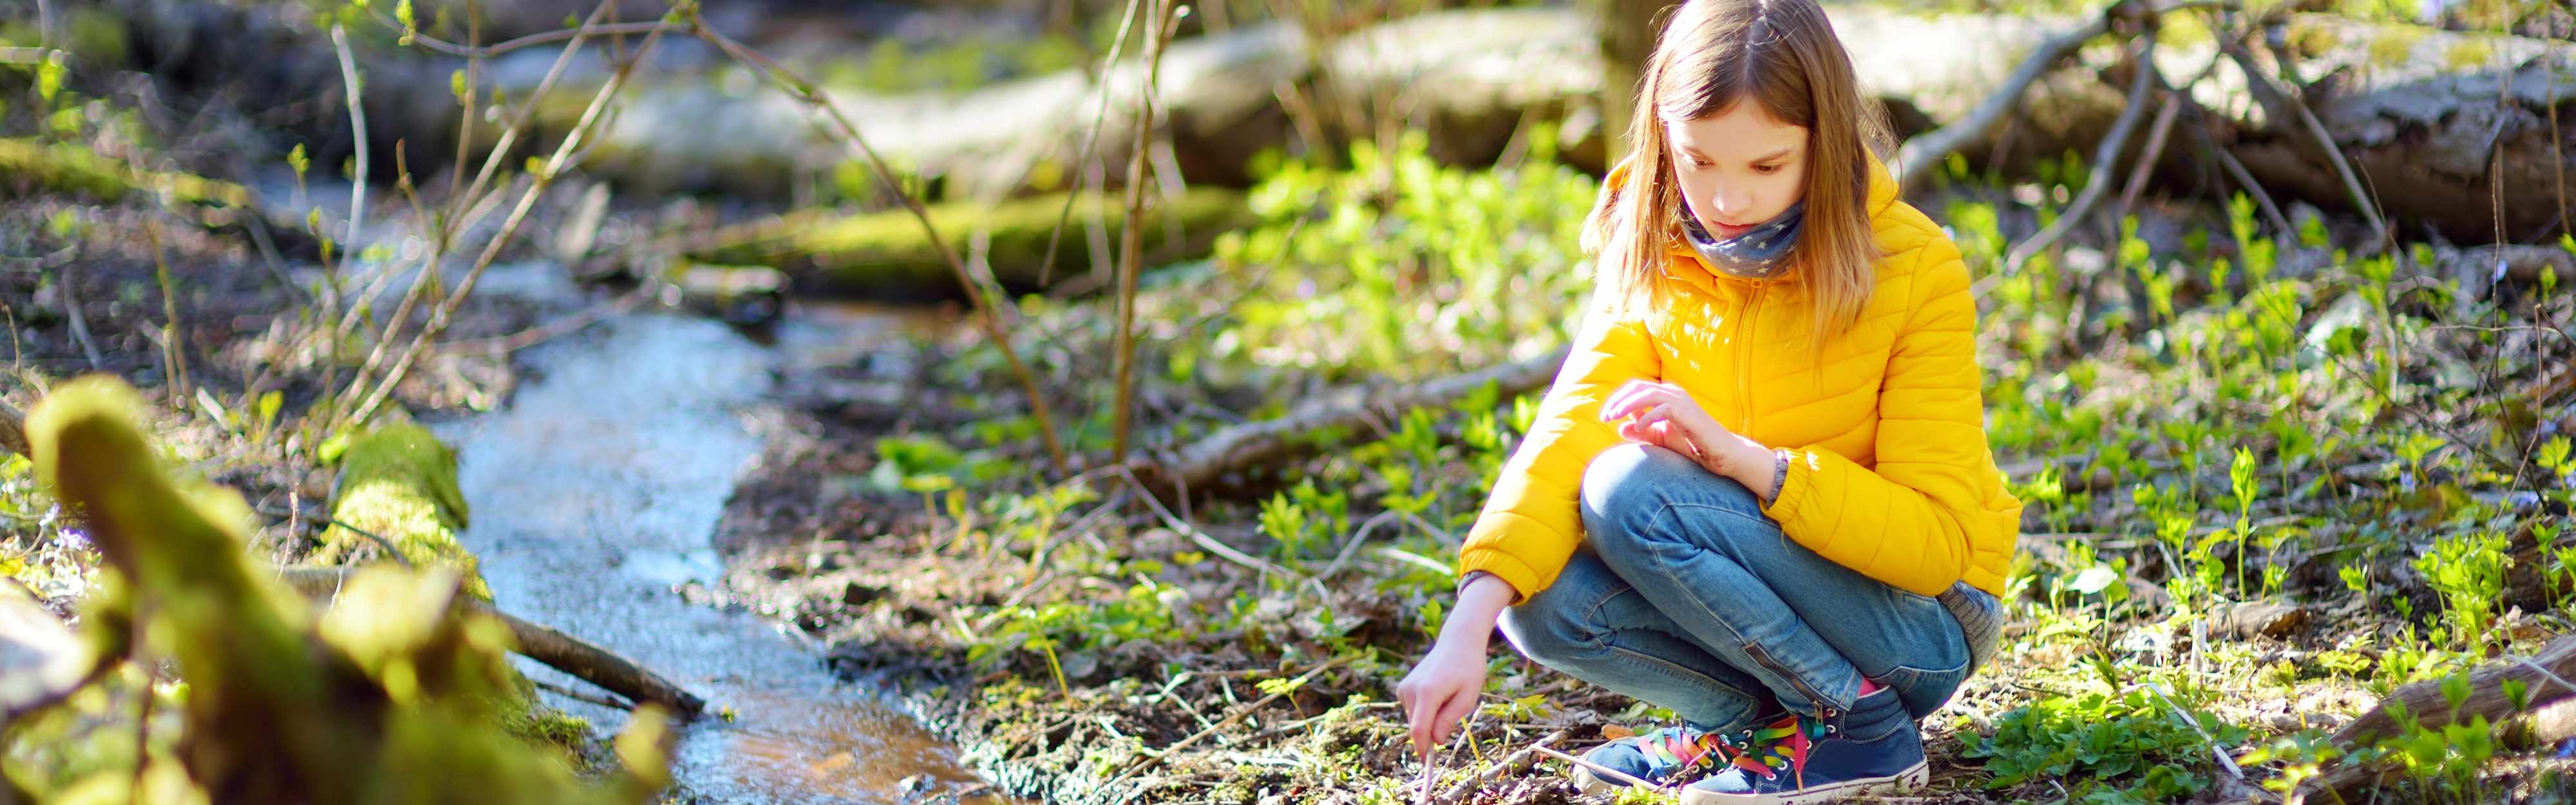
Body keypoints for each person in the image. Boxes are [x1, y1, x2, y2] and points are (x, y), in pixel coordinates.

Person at [1391, 0, 2025, 801]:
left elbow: (1934, 545)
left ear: (1825, 144)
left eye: (1766, 166)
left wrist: (1745, 463)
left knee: (1632, 489)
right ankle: (1755, 727)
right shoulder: (1654, 242)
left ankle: (1858, 724)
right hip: (1766, 575)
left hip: (1918, 621)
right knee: (1533, 598)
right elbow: (1569, 428)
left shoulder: (1912, 266)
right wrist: (1466, 624)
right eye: (1697, 160)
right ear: (1663, 137)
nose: (1724, 200)